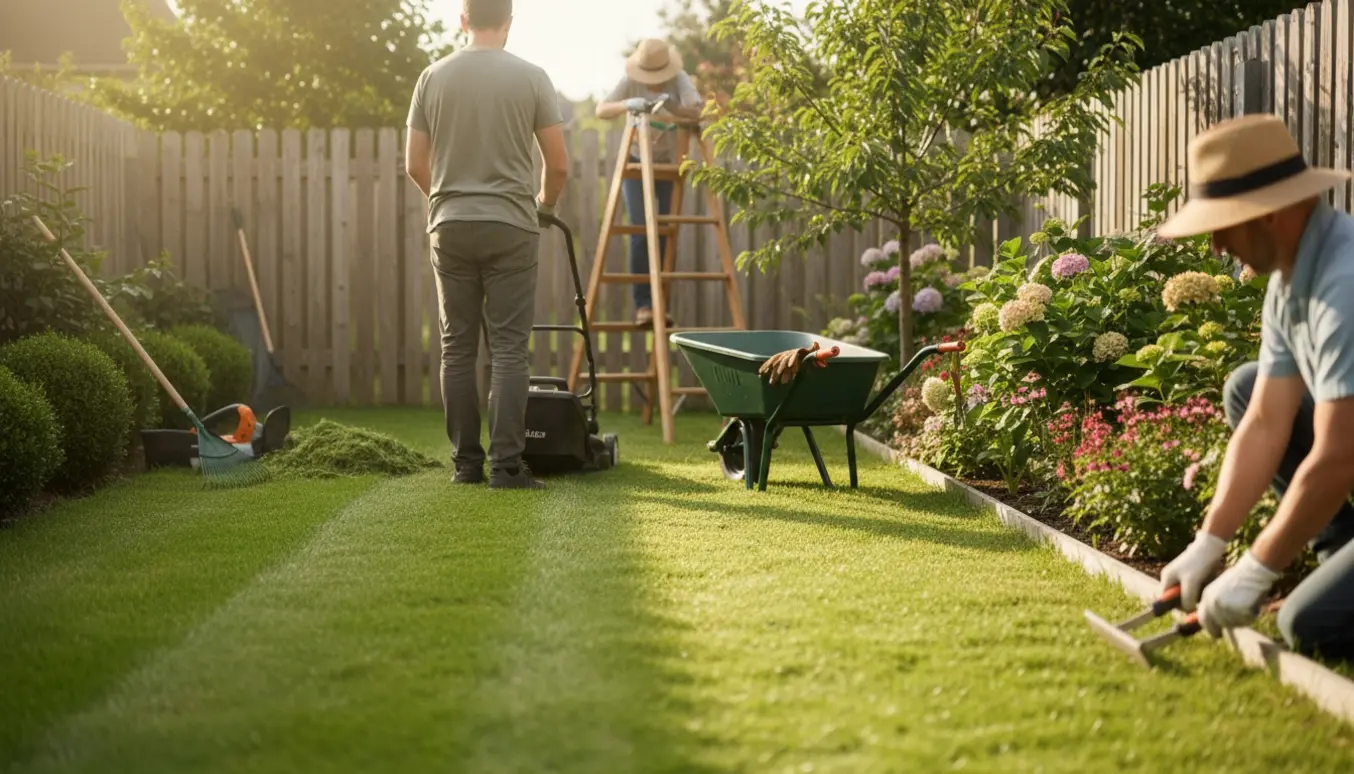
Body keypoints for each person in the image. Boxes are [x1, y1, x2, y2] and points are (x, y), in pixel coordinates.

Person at [1155, 113, 1354, 661]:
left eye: (1224, 224)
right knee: (1246, 389)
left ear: (1269, 214)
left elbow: (1340, 457)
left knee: (1307, 625)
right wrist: (1209, 542)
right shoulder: (1289, 283)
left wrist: (1256, 568)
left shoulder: (1345, 283)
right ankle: (1342, 552)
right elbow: (1267, 420)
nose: (1217, 245)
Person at [404, 0, 569, 490]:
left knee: (456, 349)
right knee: (509, 351)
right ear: (509, 23)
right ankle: (506, 467)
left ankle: (466, 466)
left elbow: (414, 163)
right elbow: (557, 165)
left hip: (450, 226)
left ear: (463, 21)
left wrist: (447, 200)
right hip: (512, 226)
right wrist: (544, 207)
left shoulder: (431, 77)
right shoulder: (533, 77)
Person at [595, 38, 705, 327]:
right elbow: (601, 109)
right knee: (640, 231)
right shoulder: (630, 80)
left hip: (669, 164)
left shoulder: (679, 80)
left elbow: (697, 110)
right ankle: (644, 305)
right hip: (637, 162)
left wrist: (675, 108)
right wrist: (626, 105)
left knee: (666, 232)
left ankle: (660, 305)